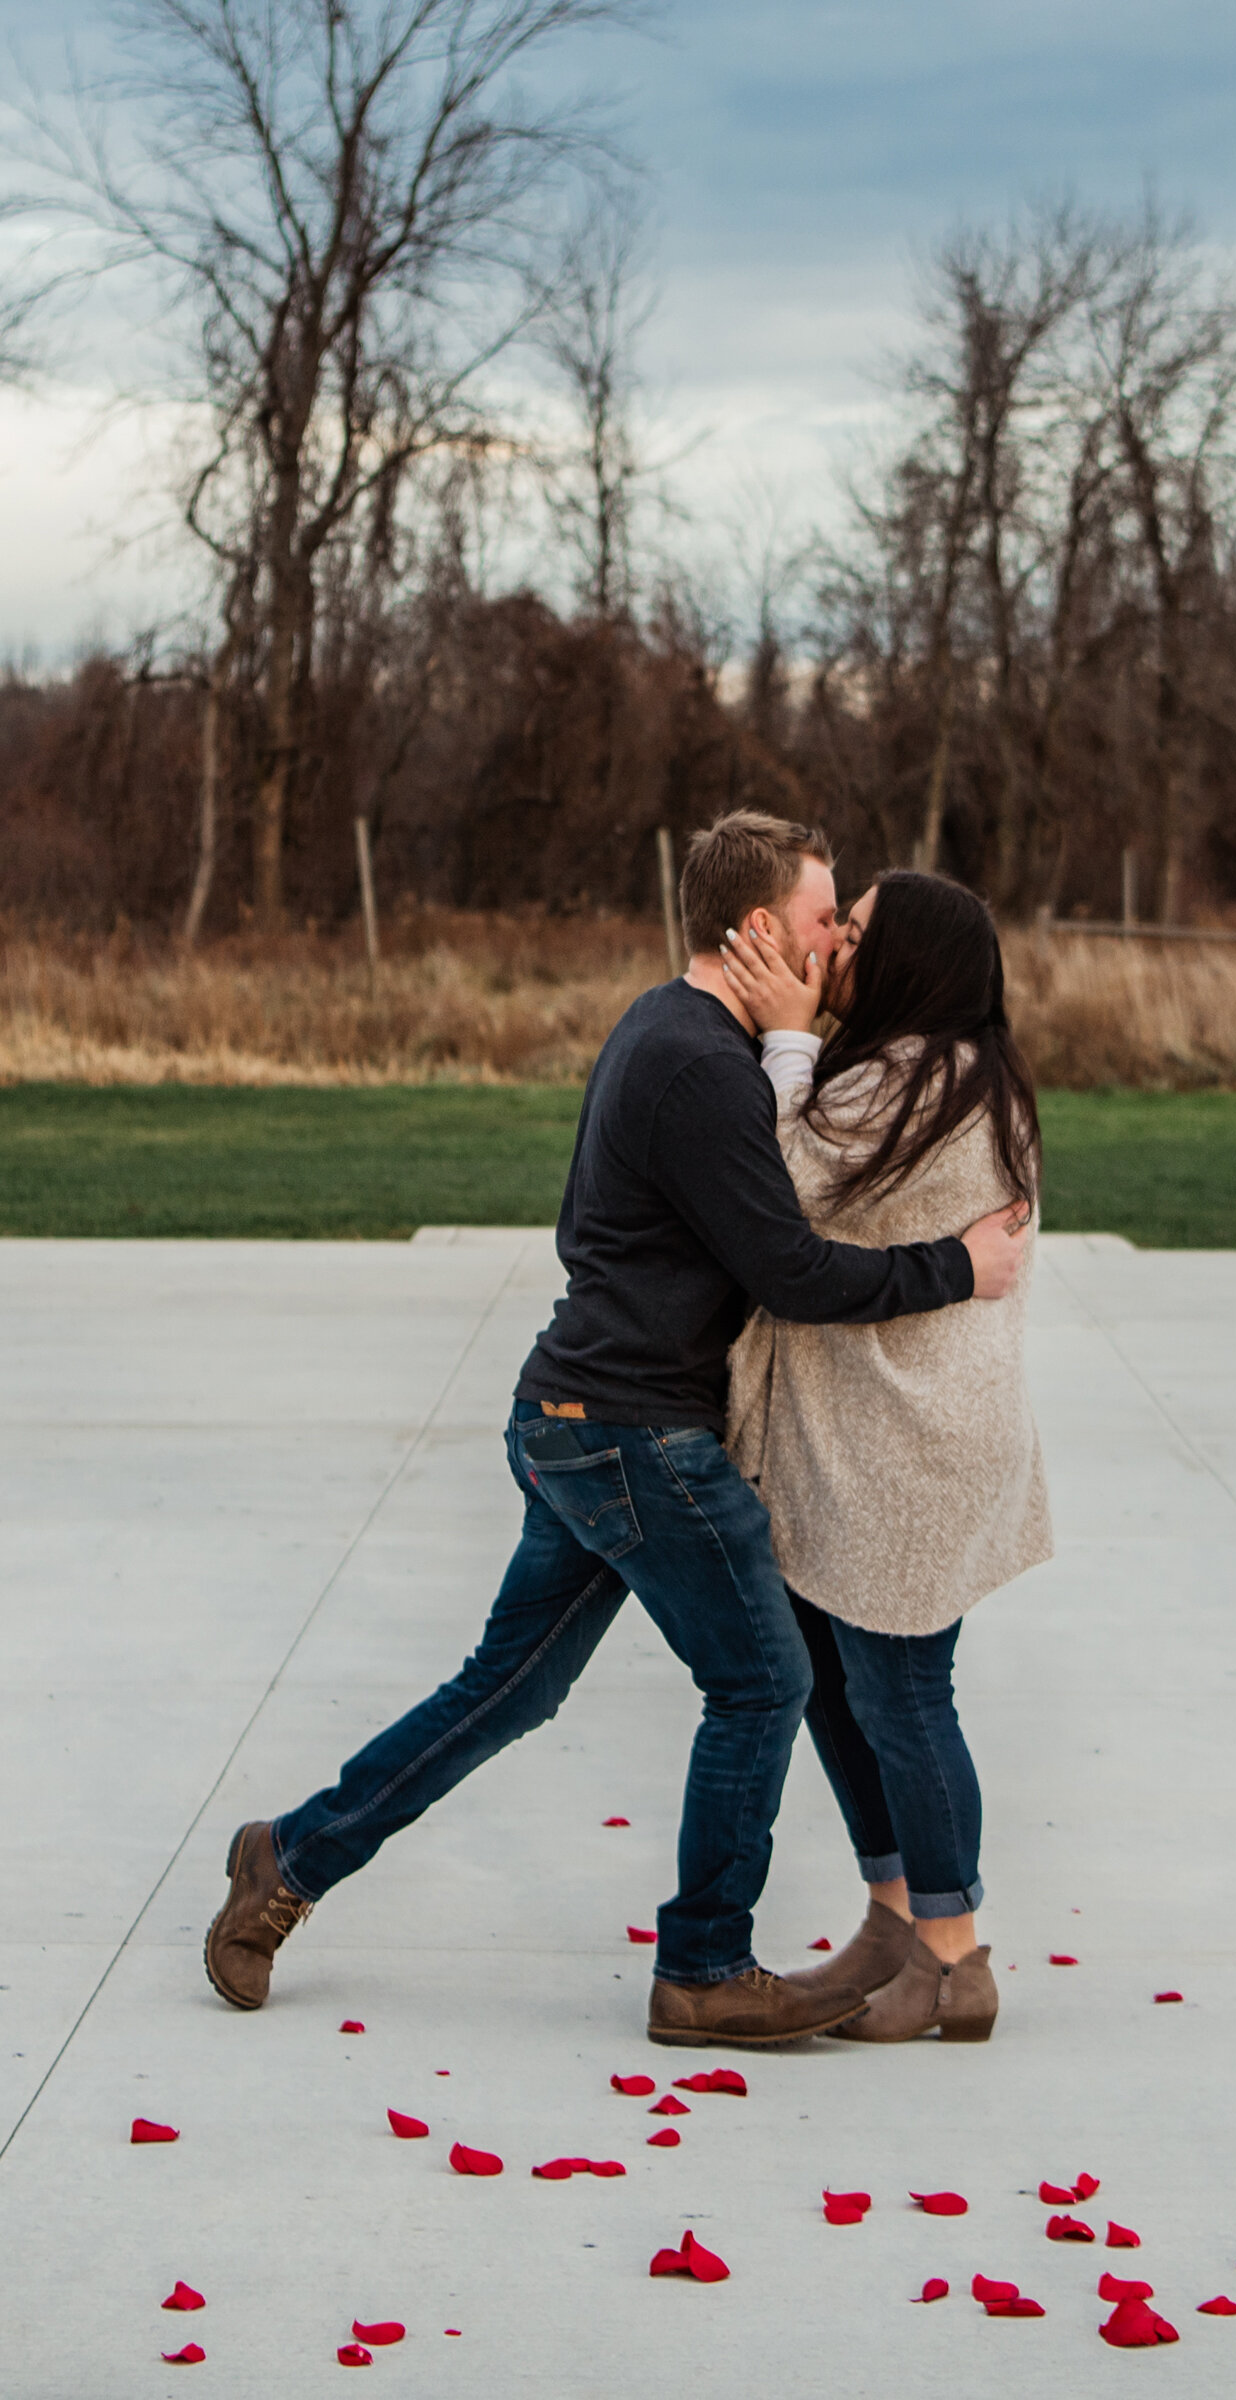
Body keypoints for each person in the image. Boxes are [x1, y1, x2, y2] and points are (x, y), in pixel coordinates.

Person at [204, 811, 1029, 2050]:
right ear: (760, 930)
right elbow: (796, 1271)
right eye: (822, 921)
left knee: (507, 1693)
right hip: (632, 1432)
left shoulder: (673, 1029)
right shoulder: (702, 1065)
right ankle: (702, 1968)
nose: (834, 948)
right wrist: (953, 1269)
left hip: (583, 1415)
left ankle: (289, 1858)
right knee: (761, 1683)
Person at [719, 869, 1052, 2043]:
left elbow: (780, 1187)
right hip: (877, 1430)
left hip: (908, 1441)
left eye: (853, 934)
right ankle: (896, 1910)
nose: (833, 949)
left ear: (906, 958)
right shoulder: (944, 1074)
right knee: (837, 1676)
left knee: (904, 1691)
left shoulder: (923, 1082)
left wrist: (788, 1043)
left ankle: (954, 1960)